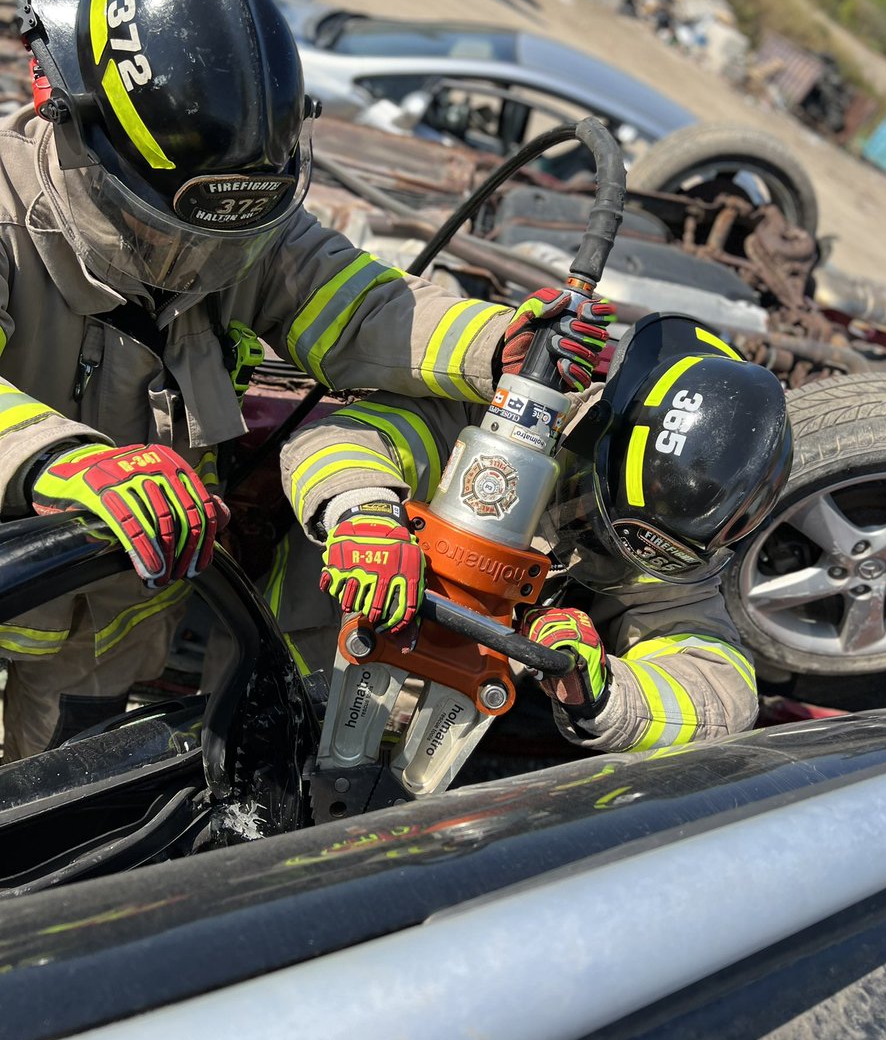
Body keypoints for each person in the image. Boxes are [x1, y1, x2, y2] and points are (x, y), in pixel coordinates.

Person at [0, 0, 611, 760]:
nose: (204, 265)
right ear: (75, 129)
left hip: (126, 630)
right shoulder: (8, 219)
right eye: (166, 230)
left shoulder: (229, 224)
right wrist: (54, 458)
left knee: (86, 800)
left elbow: (357, 306)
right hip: (17, 619)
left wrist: (495, 343)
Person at [277, 313, 793, 752]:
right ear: (598, 450)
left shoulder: (667, 538)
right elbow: (337, 439)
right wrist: (364, 514)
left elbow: (723, 692)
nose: (598, 545)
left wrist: (604, 689)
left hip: (423, 739)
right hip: (280, 658)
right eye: (597, 519)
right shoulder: (499, 415)